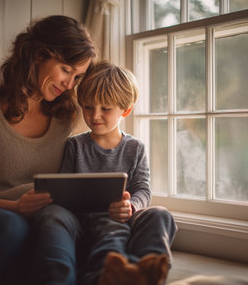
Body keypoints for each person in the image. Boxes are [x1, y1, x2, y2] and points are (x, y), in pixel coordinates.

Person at [0, 15, 97, 285]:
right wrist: (15, 207)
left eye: (77, 76)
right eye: (65, 70)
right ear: (38, 55)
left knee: (53, 233)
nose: (69, 85)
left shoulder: (68, 117)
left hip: (43, 225)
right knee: (12, 227)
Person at [59, 61, 178, 285]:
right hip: (92, 220)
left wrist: (131, 206)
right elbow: (65, 191)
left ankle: (146, 270)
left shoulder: (135, 148)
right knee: (110, 226)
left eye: (105, 109)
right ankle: (104, 276)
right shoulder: (74, 146)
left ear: (126, 110)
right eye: (87, 107)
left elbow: (143, 189)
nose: (95, 116)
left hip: (128, 216)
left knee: (161, 215)